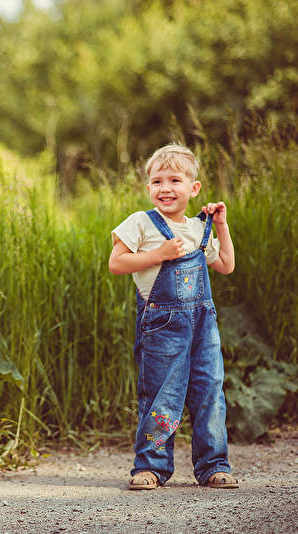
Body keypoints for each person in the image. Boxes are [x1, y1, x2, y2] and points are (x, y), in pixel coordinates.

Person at [108, 143, 239, 491]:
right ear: (148, 187)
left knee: (209, 391)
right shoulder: (141, 222)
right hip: (162, 328)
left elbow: (226, 265)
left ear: (193, 188)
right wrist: (159, 254)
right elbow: (116, 263)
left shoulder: (200, 229)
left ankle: (214, 465)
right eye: (156, 181)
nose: (165, 188)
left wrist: (221, 225)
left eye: (174, 180)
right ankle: (151, 466)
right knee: (160, 395)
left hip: (202, 329)